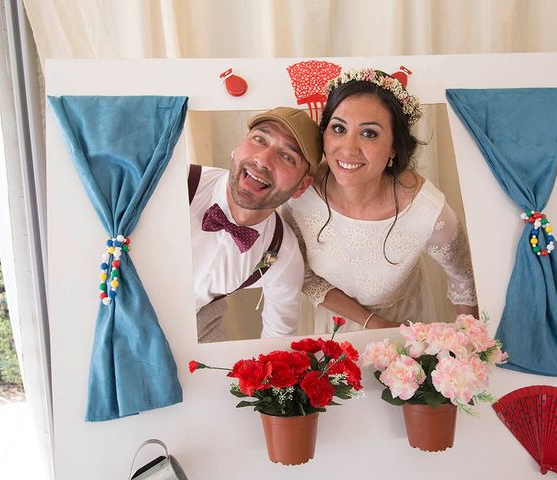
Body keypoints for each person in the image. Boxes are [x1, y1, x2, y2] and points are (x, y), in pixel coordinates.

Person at [282, 68, 478, 334]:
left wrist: (469, 345)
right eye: (339, 128)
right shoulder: (300, 193)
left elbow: (464, 278)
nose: (348, 148)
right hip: (330, 320)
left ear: (394, 148)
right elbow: (301, 273)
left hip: (402, 324)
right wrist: (372, 323)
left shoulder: (428, 212)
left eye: (369, 133)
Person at [189, 107, 322, 342]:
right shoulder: (178, 184)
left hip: (197, 323)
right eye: (259, 140)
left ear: (302, 186)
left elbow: (277, 341)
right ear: (237, 147)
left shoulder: (283, 253)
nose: (263, 160)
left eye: (287, 157)